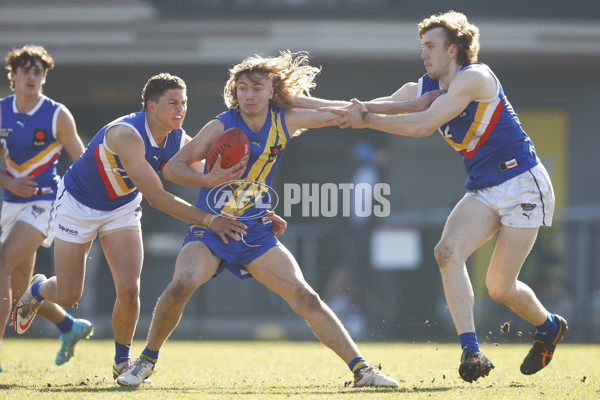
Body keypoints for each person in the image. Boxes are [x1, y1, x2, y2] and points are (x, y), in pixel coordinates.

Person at [116, 51, 401, 388]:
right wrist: (208, 179)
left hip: (256, 232)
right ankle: (145, 362)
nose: (248, 95)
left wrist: (401, 108)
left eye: (256, 88)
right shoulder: (220, 125)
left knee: (305, 297)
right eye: (242, 89)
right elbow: (174, 167)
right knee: (182, 284)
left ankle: (362, 371)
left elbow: (339, 113)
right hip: (213, 228)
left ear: (272, 92)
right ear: (234, 93)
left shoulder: (286, 121)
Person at [328, 11, 568, 382]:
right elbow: (383, 104)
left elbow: (422, 125)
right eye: (422, 46)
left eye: (430, 46)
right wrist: (309, 108)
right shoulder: (423, 86)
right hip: (485, 188)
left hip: (522, 182)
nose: (423, 54)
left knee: (500, 287)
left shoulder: (475, 77)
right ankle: (472, 350)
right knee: (446, 252)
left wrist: (368, 119)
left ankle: (549, 326)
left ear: (453, 49)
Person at [12, 72, 256, 380]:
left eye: (183, 103)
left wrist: (254, 208)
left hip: (121, 208)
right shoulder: (126, 135)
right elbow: (157, 197)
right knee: (68, 294)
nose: (180, 110)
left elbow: (213, 176)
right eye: (172, 103)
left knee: (129, 288)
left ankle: (121, 361)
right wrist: (210, 220)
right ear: (151, 107)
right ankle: (38, 288)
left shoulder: (178, 138)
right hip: (77, 205)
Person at [0, 44, 92, 372]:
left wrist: (85, 207)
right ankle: (70, 326)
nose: (31, 77)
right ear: (12, 76)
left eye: (37, 72)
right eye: (25, 70)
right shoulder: (1, 110)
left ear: (44, 78)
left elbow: (81, 162)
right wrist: (8, 183)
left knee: (2, 263)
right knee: (19, 290)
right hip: (9, 204)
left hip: (43, 203)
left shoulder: (56, 114)